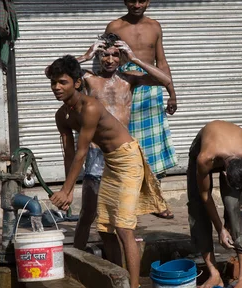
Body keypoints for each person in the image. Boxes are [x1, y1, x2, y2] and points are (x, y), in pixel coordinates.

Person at [46, 55, 168, 288]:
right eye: (54, 83)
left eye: (62, 82)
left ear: (78, 83)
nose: (57, 87)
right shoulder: (62, 115)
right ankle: (117, 280)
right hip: (109, 161)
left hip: (126, 158)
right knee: (105, 227)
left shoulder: (89, 107)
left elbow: (81, 153)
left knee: (124, 227)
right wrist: (67, 190)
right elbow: (69, 154)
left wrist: (67, 190)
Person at [71, 33, 173, 251]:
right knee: (88, 213)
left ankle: (120, 264)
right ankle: (77, 257)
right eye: (104, 55)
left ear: (121, 57)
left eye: (115, 55)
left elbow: (164, 80)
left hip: (122, 155)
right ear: (98, 56)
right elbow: (51, 72)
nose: (109, 60)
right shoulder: (88, 78)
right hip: (95, 153)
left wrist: (134, 58)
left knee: (121, 220)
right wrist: (84, 56)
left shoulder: (128, 78)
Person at [105, 0, 177, 219]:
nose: (137, 5)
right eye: (132, 0)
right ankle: (129, 202)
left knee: (153, 149)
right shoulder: (114, 27)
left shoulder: (155, 27)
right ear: (125, 0)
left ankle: (157, 201)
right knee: (126, 145)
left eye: (141, 1)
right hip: (124, 87)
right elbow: (105, 60)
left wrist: (172, 93)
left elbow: (162, 62)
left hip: (150, 89)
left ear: (148, 1)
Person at [189, 121, 242, 288]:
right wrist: (220, 229)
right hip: (203, 145)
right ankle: (214, 274)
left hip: (232, 149)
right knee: (197, 208)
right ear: (224, 174)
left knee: (232, 204)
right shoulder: (204, 158)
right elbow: (205, 195)